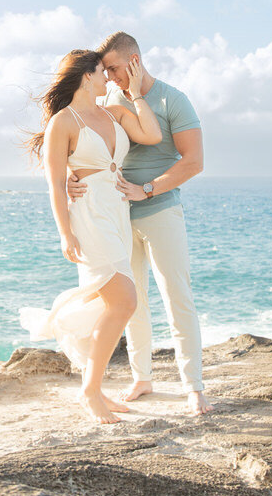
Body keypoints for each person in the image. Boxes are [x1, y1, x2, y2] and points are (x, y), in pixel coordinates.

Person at [68, 31, 212, 415]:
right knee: (133, 302)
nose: (109, 76)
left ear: (134, 60)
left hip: (161, 209)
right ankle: (142, 377)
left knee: (176, 296)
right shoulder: (110, 100)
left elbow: (194, 162)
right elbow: (89, 147)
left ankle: (193, 386)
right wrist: (74, 175)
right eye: (105, 70)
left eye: (114, 68)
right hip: (115, 217)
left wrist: (146, 189)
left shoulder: (172, 99)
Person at [19, 48, 162, 424]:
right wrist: (65, 233)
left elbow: (152, 133)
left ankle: (94, 387)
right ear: (86, 75)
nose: (108, 79)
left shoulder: (114, 112)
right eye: (102, 72)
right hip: (89, 217)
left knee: (115, 301)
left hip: (118, 212)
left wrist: (136, 94)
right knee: (124, 300)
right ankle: (89, 392)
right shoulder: (63, 123)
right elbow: (54, 185)